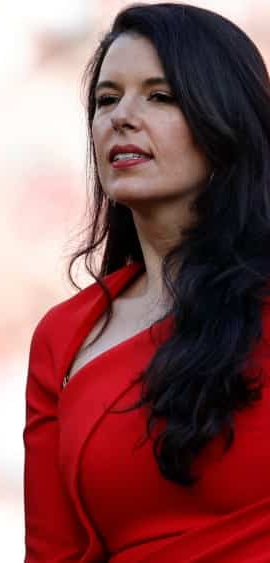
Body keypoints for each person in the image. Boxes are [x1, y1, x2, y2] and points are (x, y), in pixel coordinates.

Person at [24, 3, 270, 561]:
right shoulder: (64, 337)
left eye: (160, 96)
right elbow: (52, 551)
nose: (122, 117)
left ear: (224, 119)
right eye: (106, 100)